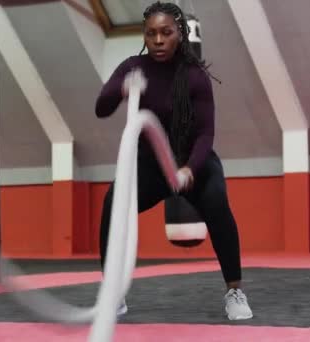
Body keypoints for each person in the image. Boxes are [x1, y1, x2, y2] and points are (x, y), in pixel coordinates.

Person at [94, 1, 253, 321]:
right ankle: (114, 292)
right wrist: (122, 89)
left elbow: (206, 133)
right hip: (149, 165)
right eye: (151, 33)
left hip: (194, 161)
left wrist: (188, 169)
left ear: (179, 33)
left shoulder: (195, 76)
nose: (158, 40)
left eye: (166, 32)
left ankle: (234, 290)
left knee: (217, 204)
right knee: (113, 205)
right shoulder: (132, 67)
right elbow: (101, 108)